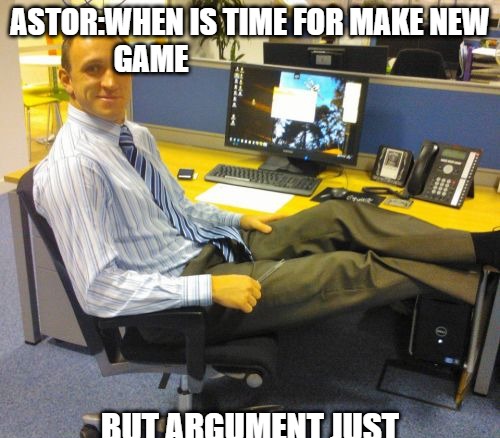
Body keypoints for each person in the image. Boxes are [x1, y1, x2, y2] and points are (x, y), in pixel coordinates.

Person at [34, 36, 499, 345]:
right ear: (66, 80)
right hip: (180, 302)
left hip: (208, 249)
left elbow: (181, 210)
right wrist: (208, 287)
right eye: (93, 70)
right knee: (348, 269)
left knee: (338, 216)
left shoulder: (134, 136)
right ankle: (473, 281)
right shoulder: (74, 168)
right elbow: (99, 292)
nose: (110, 81)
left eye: (118, 66)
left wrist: (236, 220)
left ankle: (477, 248)